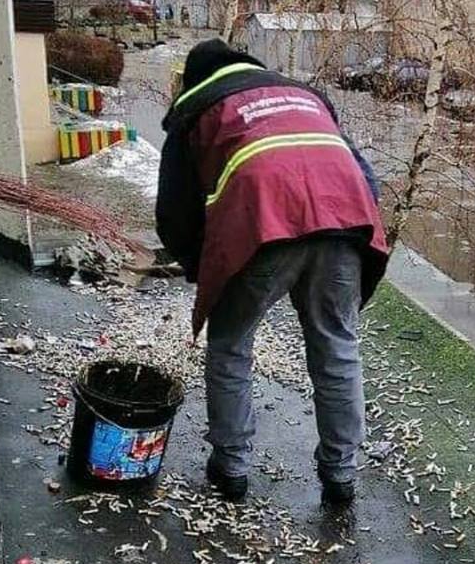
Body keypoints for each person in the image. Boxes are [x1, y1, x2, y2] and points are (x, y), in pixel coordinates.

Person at [156, 39, 388, 505]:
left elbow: (175, 213)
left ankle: (231, 469)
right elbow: (366, 179)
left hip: (261, 222)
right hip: (344, 217)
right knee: (337, 344)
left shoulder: (196, 107)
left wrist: (199, 266)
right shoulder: (304, 94)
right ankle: (341, 475)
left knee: (229, 344)